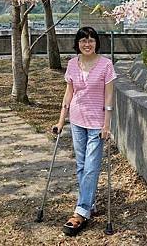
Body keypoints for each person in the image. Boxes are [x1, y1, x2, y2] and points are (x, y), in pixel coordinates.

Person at [53, 26, 117, 237]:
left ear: (96, 42)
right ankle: (89, 204)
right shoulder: (72, 64)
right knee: (81, 166)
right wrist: (61, 121)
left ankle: (80, 212)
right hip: (77, 120)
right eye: (83, 41)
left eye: (90, 40)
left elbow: (109, 98)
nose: (87, 44)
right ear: (77, 44)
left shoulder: (106, 65)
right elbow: (68, 94)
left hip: (97, 123)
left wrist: (107, 124)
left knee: (91, 166)